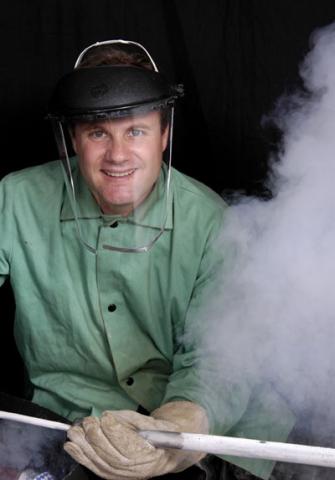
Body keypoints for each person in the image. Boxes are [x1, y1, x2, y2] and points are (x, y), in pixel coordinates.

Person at [0, 40, 295, 480]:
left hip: (204, 435)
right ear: (72, 140)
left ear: (164, 134)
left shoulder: (213, 222)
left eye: (135, 130)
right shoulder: (15, 198)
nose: (118, 155)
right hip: (73, 427)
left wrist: (176, 430)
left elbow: (222, 363)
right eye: (98, 132)